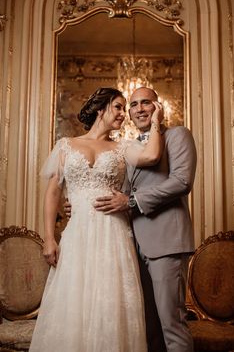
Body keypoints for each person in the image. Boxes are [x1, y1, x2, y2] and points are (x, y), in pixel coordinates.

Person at [29, 87, 164, 352]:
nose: (124, 114)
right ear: (101, 109)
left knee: (110, 302)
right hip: (77, 235)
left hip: (113, 234)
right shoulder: (66, 145)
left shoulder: (123, 147)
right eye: (118, 107)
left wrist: (157, 119)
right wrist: (48, 238)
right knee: (74, 302)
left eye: (124, 108)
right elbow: (53, 193)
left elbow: (152, 155)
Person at [94, 87, 197, 352]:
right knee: (146, 328)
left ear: (158, 108)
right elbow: (122, 193)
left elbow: (182, 181)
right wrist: (85, 205)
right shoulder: (131, 148)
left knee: (171, 325)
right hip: (132, 247)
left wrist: (131, 202)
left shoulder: (177, 135)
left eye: (146, 103)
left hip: (166, 244)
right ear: (129, 113)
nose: (139, 108)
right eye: (134, 104)